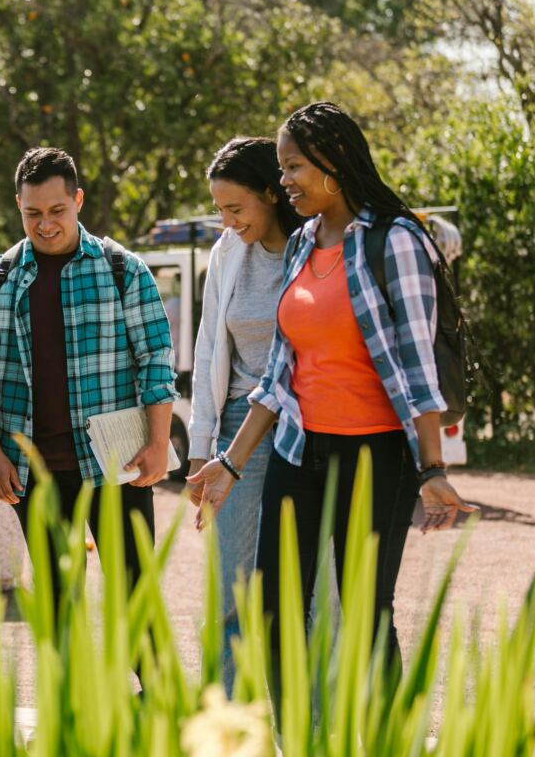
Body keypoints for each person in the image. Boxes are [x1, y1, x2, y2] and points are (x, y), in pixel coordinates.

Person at [188, 102, 476, 694]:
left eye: (293, 167)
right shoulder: (301, 245)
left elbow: (417, 369)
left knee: (367, 614)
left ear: (334, 164)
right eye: (283, 169)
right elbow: (277, 374)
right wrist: (230, 463)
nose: (284, 179)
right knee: (273, 610)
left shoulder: (394, 241)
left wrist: (431, 468)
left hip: (375, 456)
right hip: (300, 450)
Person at [0, 146, 178, 619]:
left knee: (135, 593)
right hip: (32, 470)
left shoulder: (124, 270)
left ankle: (151, 694)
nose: (45, 224)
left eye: (57, 210)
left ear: (78, 200)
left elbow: (156, 359)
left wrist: (160, 442)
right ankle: (72, 694)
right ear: (18, 206)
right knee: (59, 602)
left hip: (115, 463)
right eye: (32, 213)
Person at [185, 137, 303, 695]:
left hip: (304, 429)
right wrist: (202, 445)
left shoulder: (314, 249)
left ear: (271, 194)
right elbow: (210, 346)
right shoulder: (228, 252)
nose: (227, 222)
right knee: (232, 583)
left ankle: (299, 718)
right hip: (238, 429)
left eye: (236, 208)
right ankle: (225, 716)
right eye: (219, 210)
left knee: (304, 580)